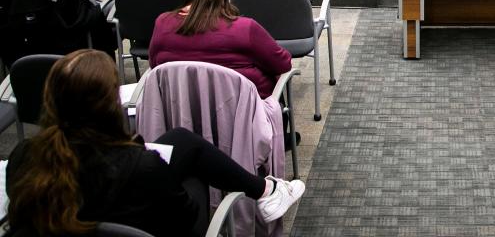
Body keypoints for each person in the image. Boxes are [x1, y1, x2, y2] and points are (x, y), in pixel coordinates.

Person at [4, 50, 305, 236]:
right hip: (148, 222)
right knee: (192, 170)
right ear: (110, 105)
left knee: (181, 140)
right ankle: (265, 190)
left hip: (109, 202)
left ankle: (265, 189)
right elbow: (185, 219)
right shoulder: (141, 166)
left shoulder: (25, 157)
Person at [150, 0, 292, 99]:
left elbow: (155, 65)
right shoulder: (245, 28)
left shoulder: (163, 23)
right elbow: (283, 64)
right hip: (243, 116)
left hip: (182, 113)